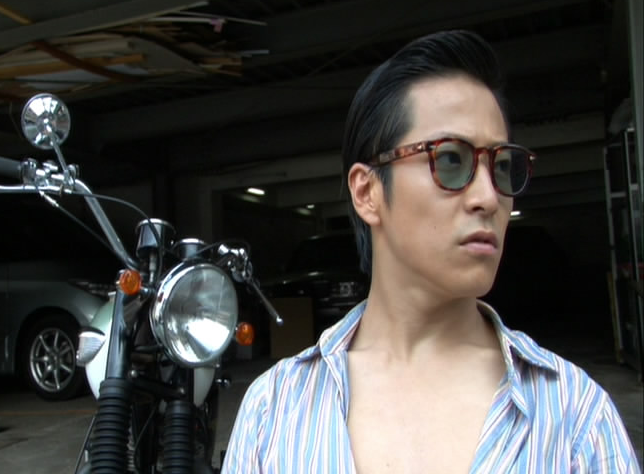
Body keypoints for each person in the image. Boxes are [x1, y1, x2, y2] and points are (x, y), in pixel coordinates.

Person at [221, 29, 641, 473]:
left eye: (501, 166)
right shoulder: (273, 412)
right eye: (451, 160)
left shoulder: (575, 417)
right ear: (367, 192)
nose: (489, 197)